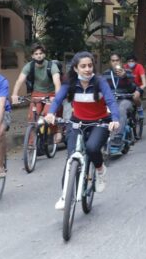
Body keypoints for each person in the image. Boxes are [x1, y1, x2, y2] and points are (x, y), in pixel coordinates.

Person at [45, 51, 121, 208]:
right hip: (77, 122)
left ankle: (100, 170)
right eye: (83, 66)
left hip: (100, 122)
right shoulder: (70, 83)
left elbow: (111, 101)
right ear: (75, 68)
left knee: (92, 148)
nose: (87, 69)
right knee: (71, 157)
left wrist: (115, 119)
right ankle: (65, 196)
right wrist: (51, 113)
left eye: (90, 66)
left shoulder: (100, 82)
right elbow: (58, 99)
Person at [11, 43, 63, 142]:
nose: (39, 56)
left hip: (51, 94)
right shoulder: (29, 66)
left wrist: (56, 97)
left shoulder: (51, 66)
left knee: (47, 114)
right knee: (32, 118)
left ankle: (54, 132)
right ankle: (32, 144)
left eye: (41, 53)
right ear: (32, 56)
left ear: (44, 54)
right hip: (37, 93)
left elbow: (57, 83)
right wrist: (14, 95)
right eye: (36, 54)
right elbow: (19, 81)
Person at [103, 53, 138, 145]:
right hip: (110, 101)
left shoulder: (128, 72)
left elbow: (133, 89)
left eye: (117, 60)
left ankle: (118, 136)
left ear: (121, 62)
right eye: (113, 61)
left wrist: (124, 77)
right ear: (110, 62)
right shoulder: (105, 74)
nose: (115, 63)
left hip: (124, 99)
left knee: (121, 109)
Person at [125, 52, 146, 119]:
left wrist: (139, 89)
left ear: (135, 61)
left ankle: (140, 109)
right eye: (129, 61)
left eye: (132, 61)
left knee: (135, 97)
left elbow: (144, 83)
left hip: (138, 87)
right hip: (127, 88)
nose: (130, 63)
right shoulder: (124, 67)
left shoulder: (139, 67)